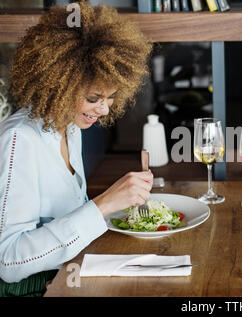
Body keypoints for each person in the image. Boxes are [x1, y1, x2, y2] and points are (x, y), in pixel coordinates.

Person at [0, 2, 153, 296]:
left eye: (110, 97)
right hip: (33, 289)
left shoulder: (70, 127)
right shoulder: (19, 141)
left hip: (69, 271)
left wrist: (120, 203)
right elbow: (9, 260)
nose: (104, 109)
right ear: (60, 85)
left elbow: (69, 218)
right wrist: (104, 204)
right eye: (94, 97)